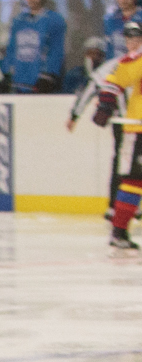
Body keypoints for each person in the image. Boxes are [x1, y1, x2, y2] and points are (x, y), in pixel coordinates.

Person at [91, 20, 142, 254]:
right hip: (139, 130)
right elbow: (113, 81)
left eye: (136, 37)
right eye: (129, 37)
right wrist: (106, 104)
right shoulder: (135, 60)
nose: (132, 42)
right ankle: (119, 230)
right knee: (134, 180)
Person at [70, 28, 127, 219]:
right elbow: (91, 87)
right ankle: (115, 205)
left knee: (127, 165)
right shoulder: (114, 65)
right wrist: (74, 115)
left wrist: (75, 115)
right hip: (124, 122)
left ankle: (125, 205)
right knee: (122, 164)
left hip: (132, 120)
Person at [5, 0, 66, 93]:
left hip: (40, 81)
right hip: (18, 81)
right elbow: (11, 48)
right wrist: (7, 71)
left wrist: (48, 75)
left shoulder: (54, 20)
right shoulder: (18, 20)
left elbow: (56, 50)